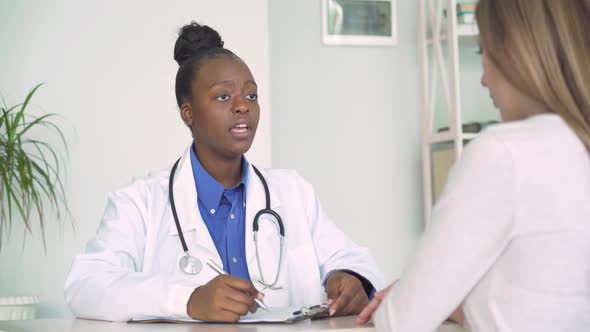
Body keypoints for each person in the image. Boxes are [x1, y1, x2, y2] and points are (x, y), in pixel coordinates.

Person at [64, 22, 385, 322]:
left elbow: (352, 260)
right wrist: (188, 300)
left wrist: (349, 278)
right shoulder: (139, 202)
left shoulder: (293, 192)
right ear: (188, 113)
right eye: (223, 96)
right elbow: (86, 285)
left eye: (251, 95)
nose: (242, 106)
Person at [357, 0, 590, 331]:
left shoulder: (504, 153)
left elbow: (400, 321)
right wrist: (460, 302)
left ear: (516, 53)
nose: (483, 79)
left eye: (483, 52)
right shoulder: (576, 146)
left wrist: (421, 298)